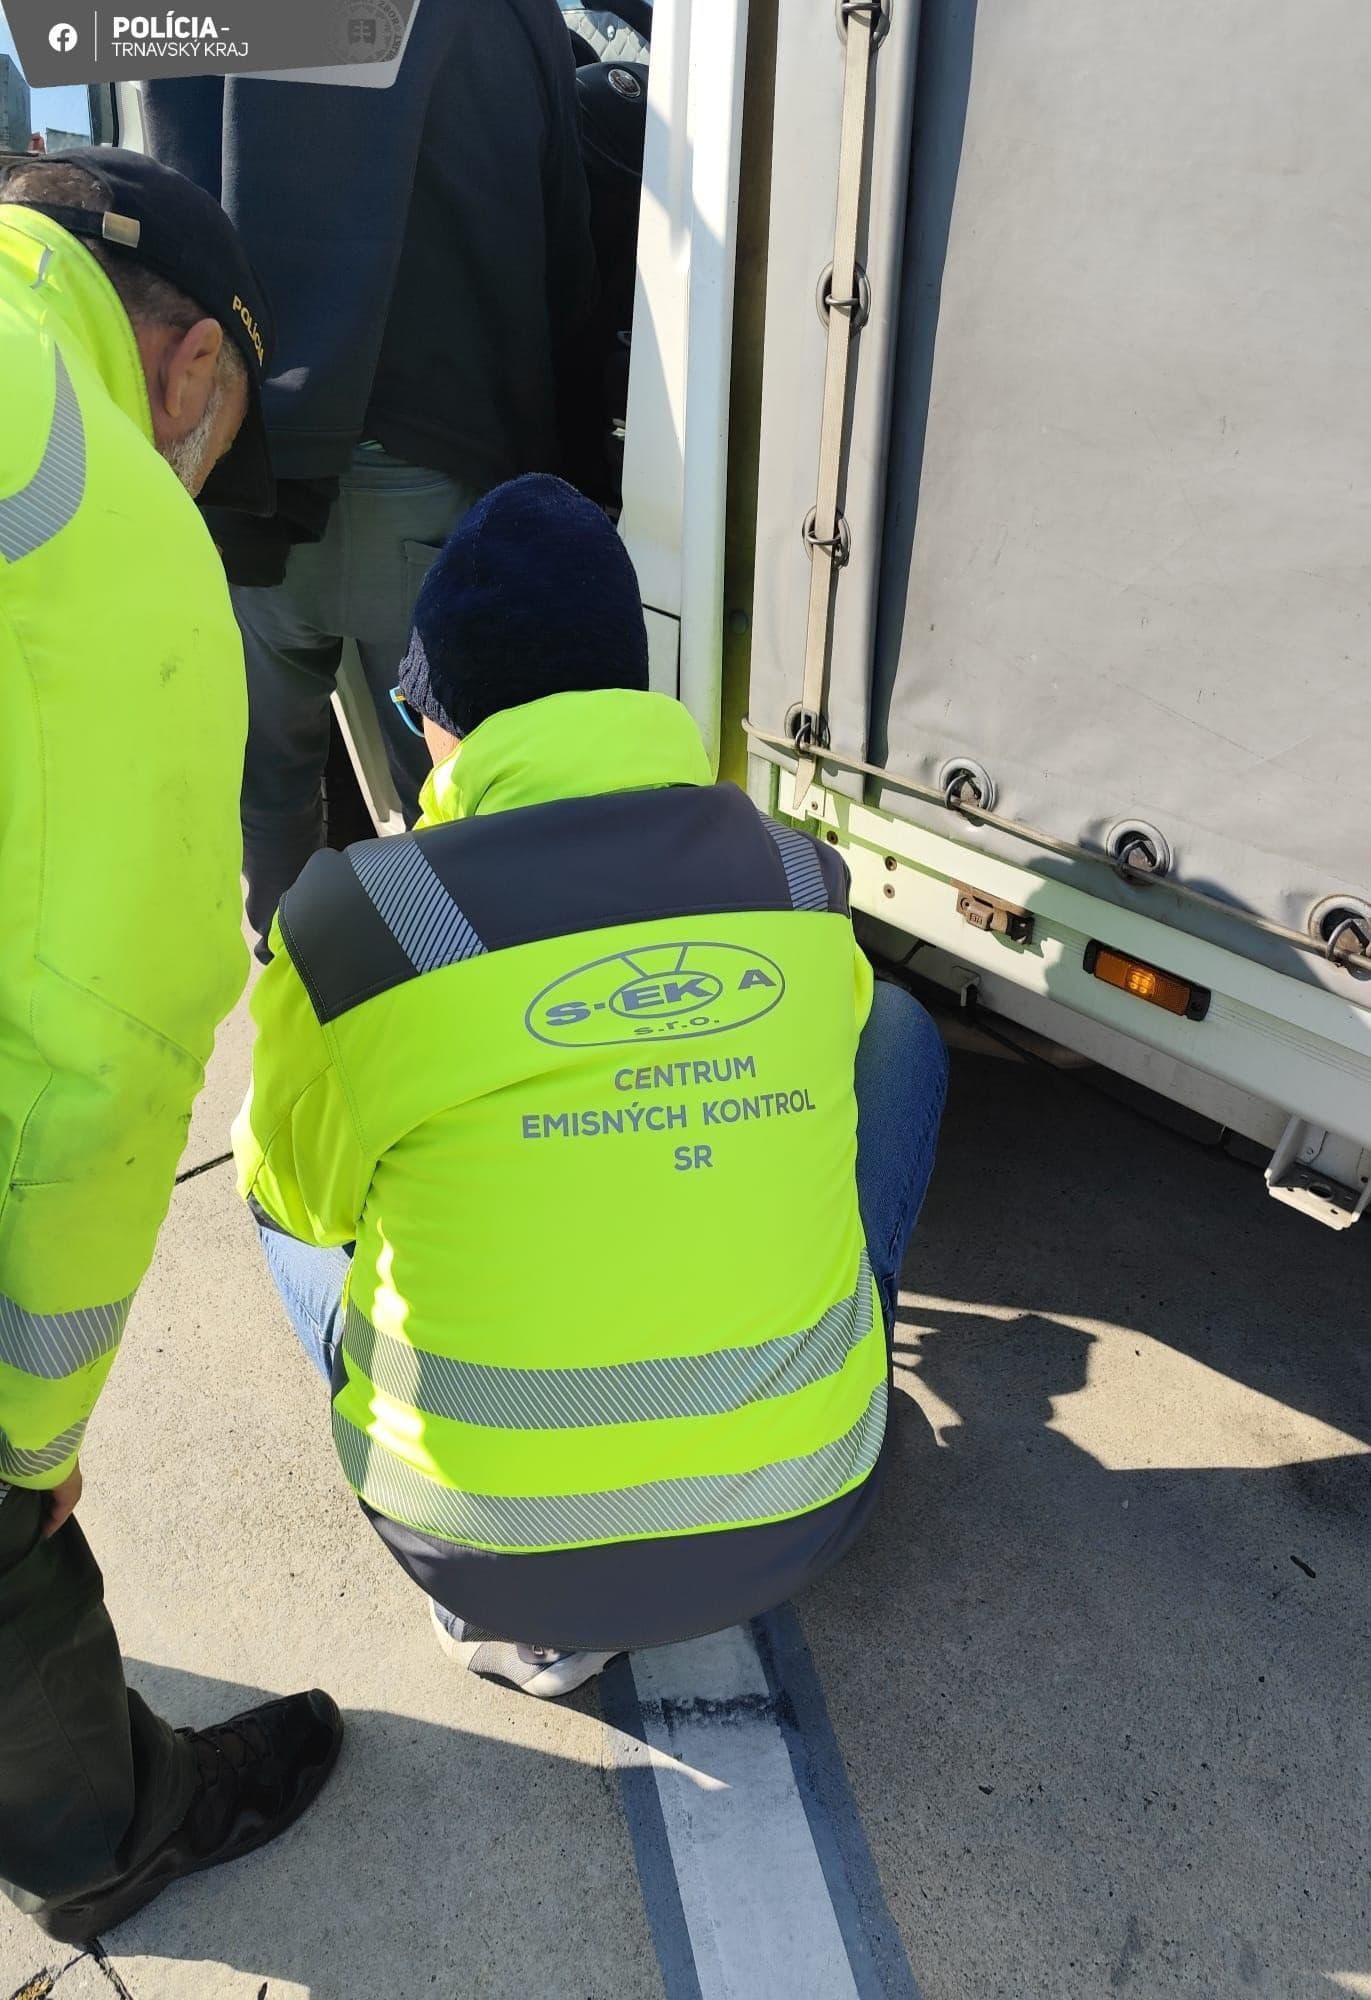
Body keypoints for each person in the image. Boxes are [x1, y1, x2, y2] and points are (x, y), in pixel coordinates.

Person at [234, 474, 948, 1699]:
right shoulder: (795, 879)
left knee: (265, 1190)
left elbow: (305, 1200)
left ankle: (532, 1579)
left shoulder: (361, 920)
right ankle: (811, 1388)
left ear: (439, 716)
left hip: (476, 1553)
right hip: (808, 1508)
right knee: (897, 1037)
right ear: (633, 693)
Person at [0, 150, 341, 1946]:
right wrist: (32, 1438)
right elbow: (106, 1074)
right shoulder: (107, 526)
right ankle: (110, 1838)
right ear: (192, 362)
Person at [141, 0, 598, 957]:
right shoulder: (505, 22)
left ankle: (295, 1001)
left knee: (270, 778)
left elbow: (177, 182)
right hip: (432, 446)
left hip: (252, 451)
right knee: (451, 793)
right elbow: (554, 223)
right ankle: (445, 1015)